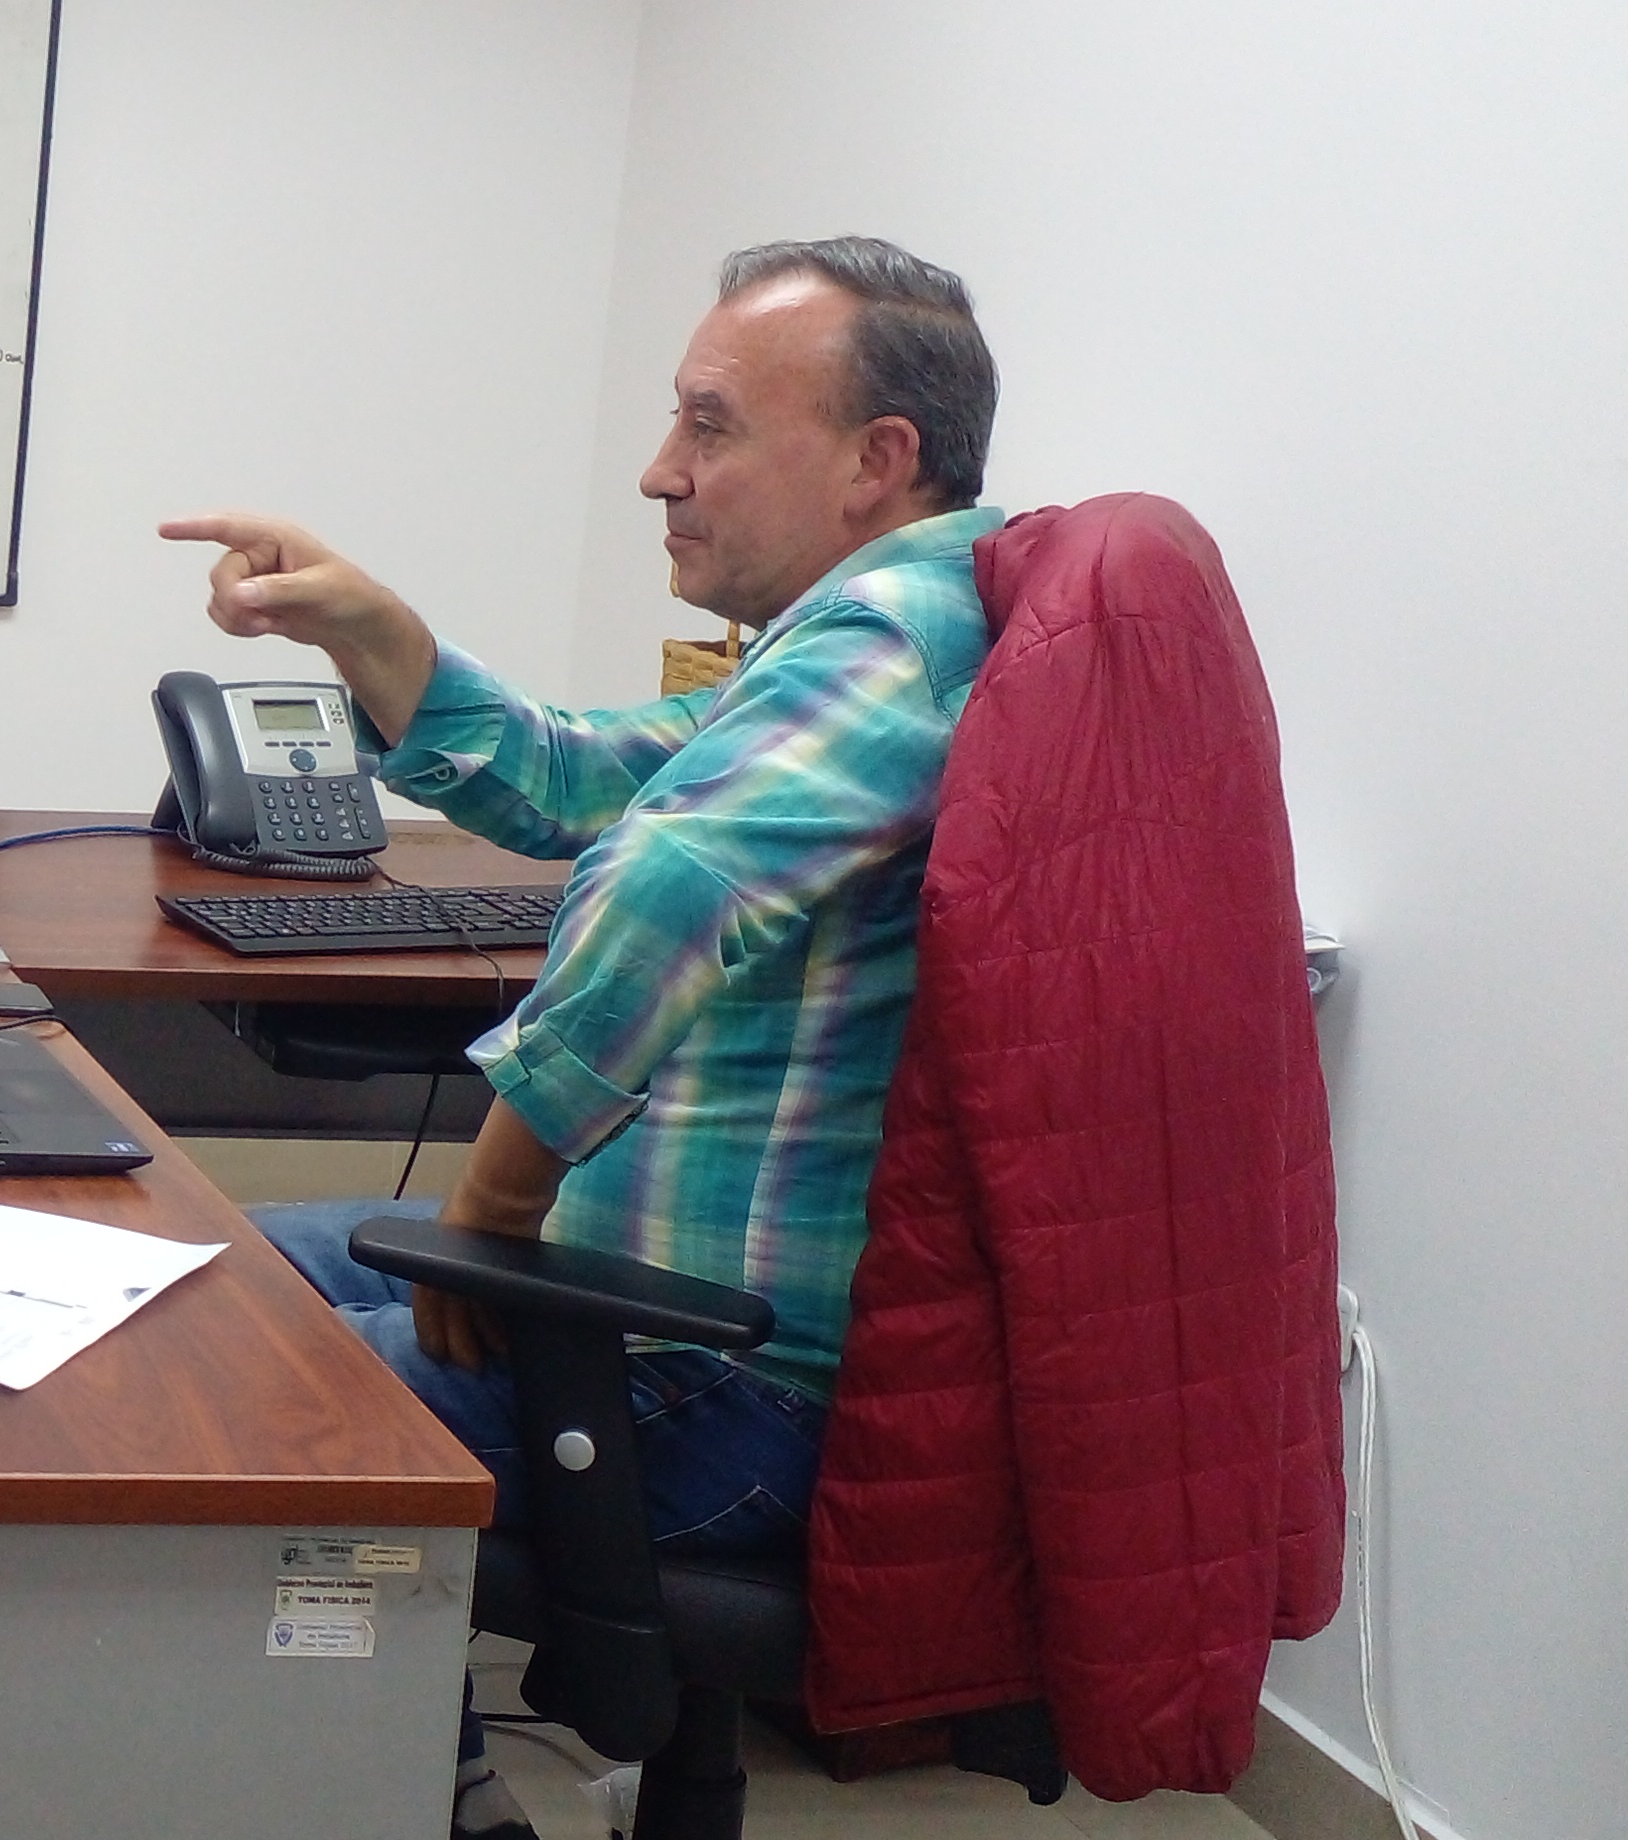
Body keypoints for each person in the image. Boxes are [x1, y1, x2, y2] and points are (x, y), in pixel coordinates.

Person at [162, 237, 1004, 1840]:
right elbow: (579, 775)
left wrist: (495, 1202)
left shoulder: (895, 641)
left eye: (710, 426)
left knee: (197, 1406)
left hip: (721, 1377)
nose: (659, 471)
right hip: (658, 1302)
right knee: (207, 1281)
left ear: (876, 461)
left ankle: (407, 1791)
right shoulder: (878, 634)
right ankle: (451, 1784)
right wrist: (370, 628)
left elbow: (669, 877)